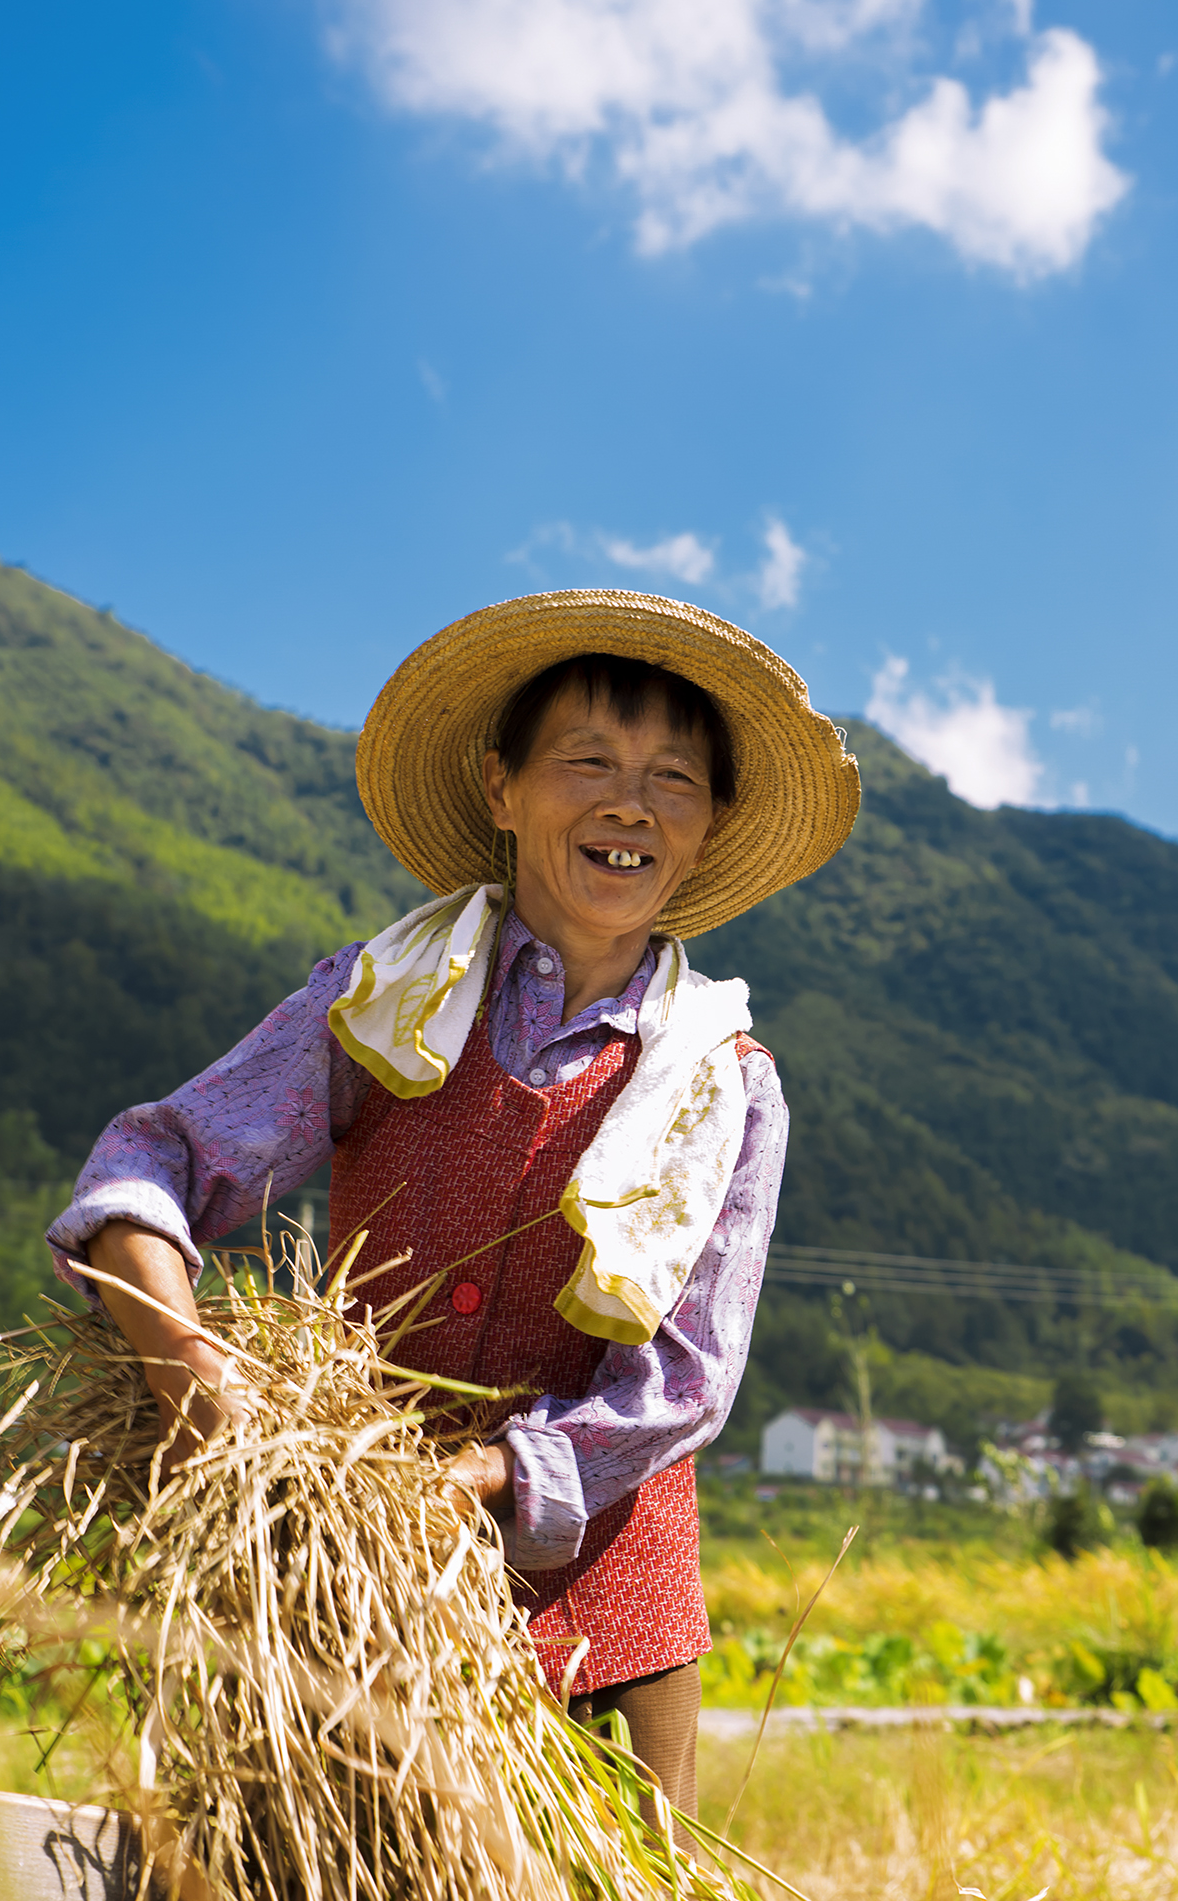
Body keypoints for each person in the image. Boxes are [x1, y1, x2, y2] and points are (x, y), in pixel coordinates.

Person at [48, 589, 859, 1820]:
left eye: (672, 780)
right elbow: (152, 1162)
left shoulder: (728, 1084)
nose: (630, 804)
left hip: (603, 1618)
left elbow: (686, 1381)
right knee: (313, 1899)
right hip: (355, 1592)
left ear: (705, 831)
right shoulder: (381, 1004)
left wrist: (482, 1478)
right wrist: (191, 1369)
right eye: (587, 761)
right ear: (501, 788)